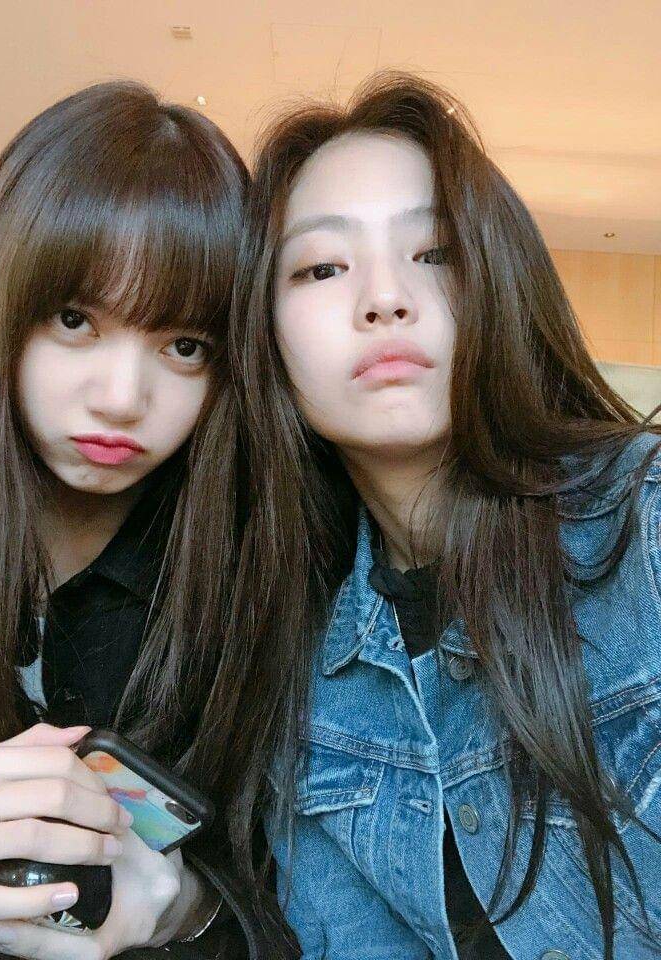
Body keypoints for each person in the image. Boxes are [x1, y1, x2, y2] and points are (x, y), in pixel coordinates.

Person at [192, 73, 661, 959]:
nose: (385, 298)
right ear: (265, 337)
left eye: (435, 253)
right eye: (322, 267)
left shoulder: (646, 525)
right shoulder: (296, 658)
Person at [0, 80, 252, 959]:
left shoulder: (250, 576)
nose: (122, 398)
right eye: (76, 320)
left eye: (184, 346)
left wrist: (184, 910)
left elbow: (298, 916)